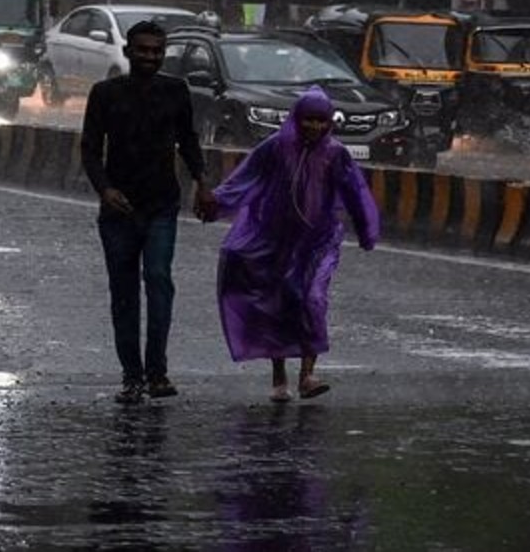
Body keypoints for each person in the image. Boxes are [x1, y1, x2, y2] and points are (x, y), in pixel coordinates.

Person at [209, 86, 379, 402]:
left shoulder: (335, 154)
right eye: (307, 120)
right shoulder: (275, 148)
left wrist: (368, 230)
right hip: (276, 239)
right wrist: (215, 204)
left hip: (319, 241)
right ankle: (279, 374)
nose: (314, 127)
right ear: (296, 119)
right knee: (280, 300)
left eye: (320, 120)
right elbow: (244, 179)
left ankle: (308, 374)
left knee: (311, 298)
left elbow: (356, 192)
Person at [81, 20, 216, 404]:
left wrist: (203, 183)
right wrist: (105, 189)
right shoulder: (104, 93)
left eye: (157, 51)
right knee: (123, 293)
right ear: (128, 52)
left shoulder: (176, 91)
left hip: (161, 205)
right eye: (142, 50)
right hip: (119, 210)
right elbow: (90, 149)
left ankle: (157, 372)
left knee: (158, 280)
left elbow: (188, 141)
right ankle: (132, 376)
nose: (149, 57)